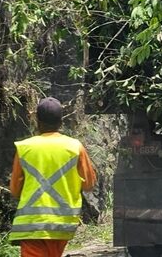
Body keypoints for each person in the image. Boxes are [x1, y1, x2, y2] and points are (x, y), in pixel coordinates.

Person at [9, 97, 97, 257]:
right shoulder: (75, 147)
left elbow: (15, 190)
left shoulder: (25, 148)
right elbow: (89, 185)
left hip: (31, 226)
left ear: (37, 120)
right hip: (63, 225)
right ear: (61, 122)